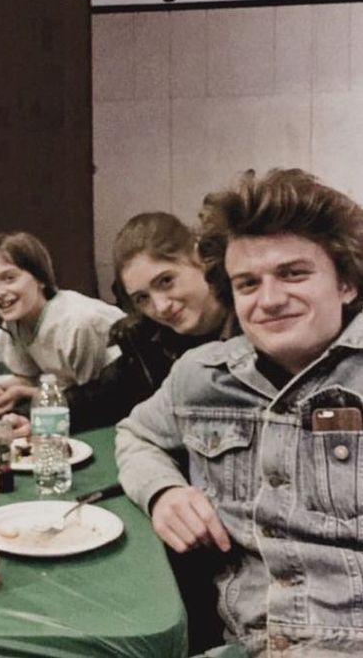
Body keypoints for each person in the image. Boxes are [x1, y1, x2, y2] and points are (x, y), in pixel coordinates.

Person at [116, 168, 363, 656]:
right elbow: (136, 435)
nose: (269, 299)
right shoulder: (201, 375)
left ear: (347, 283)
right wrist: (163, 492)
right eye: (247, 283)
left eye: (294, 273)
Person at [64, 212, 230, 432]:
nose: (161, 307)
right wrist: (37, 413)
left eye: (166, 281)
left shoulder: (256, 327)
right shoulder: (146, 338)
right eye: (142, 298)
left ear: (199, 258)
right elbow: (102, 398)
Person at [0, 231, 124, 419]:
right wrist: (2, 391)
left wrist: (23, 393)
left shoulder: (76, 323)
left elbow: (91, 399)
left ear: (40, 279)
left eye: (9, 278)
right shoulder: (15, 321)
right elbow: (29, 377)